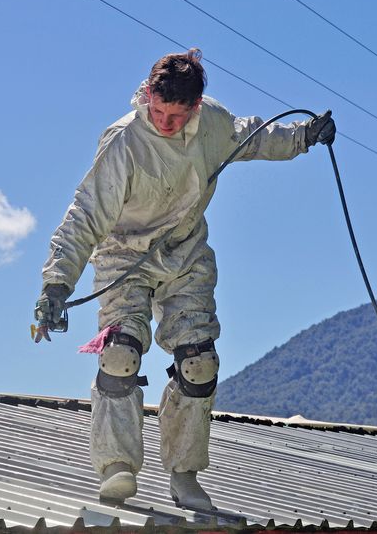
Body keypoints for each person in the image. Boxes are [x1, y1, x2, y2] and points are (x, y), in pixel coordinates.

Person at [33, 49, 335, 510]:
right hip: (124, 255)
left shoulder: (212, 123)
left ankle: (184, 474)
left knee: (199, 364)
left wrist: (304, 136)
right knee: (120, 354)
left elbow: (251, 137)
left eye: (177, 115)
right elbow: (86, 215)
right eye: (158, 111)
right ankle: (117, 466)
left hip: (186, 253)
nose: (166, 122)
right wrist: (56, 284)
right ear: (147, 95)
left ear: (195, 106)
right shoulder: (124, 141)